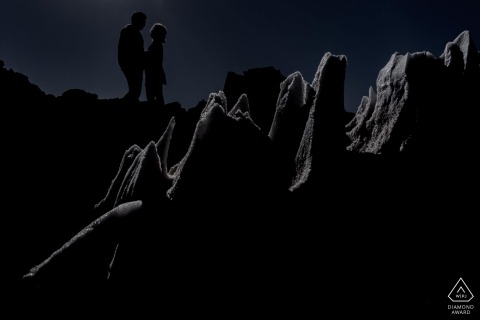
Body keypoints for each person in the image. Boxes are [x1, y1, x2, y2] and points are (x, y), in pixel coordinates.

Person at [118, 12, 147, 102]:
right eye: (143, 21)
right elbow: (129, 49)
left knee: (135, 91)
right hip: (131, 64)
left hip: (135, 65)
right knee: (135, 90)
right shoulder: (128, 30)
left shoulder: (135, 32)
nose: (145, 24)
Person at [145, 23, 167, 105]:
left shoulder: (156, 46)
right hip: (154, 75)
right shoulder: (155, 46)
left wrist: (145, 55)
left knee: (155, 98)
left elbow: (155, 60)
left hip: (154, 75)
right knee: (156, 97)